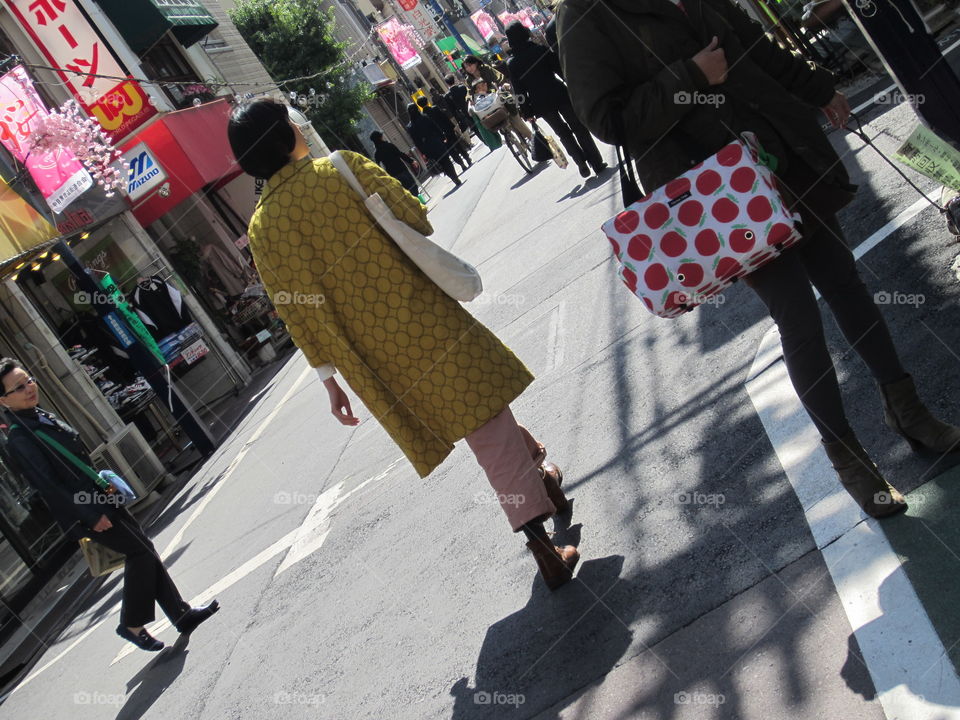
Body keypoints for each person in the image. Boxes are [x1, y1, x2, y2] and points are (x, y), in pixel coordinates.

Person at [558, 0, 960, 518]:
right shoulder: (584, 16)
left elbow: (754, 44)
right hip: (717, 192)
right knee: (797, 314)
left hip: (780, 149)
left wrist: (819, 89)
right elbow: (609, 120)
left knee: (845, 283)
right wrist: (691, 77)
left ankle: (909, 410)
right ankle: (851, 459)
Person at [227, 100, 579, 589]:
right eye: (291, 122)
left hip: (373, 361)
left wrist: (330, 381)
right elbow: (416, 216)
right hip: (424, 323)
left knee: (481, 414)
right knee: (485, 424)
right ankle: (543, 550)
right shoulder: (341, 168)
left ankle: (544, 481)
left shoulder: (261, 230)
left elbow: (293, 312)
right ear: (285, 137)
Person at [0, 359, 219, 651]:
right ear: (4, 400)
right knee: (139, 551)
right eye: (19, 387)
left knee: (145, 547)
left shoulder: (36, 416)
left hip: (97, 495)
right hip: (86, 507)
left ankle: (181, 614)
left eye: (29, 380)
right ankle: (131, 623)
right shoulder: (19, 438)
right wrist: (90, 515)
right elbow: (49, 486)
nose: (29, 388)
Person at [504, 21, 607, 178]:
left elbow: (519, 90)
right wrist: (573, 85)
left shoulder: (512, 63)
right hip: (559, 93)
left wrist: (527, 111)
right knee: (579, 127)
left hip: (540, 103)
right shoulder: (540, 49)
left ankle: (580, 162)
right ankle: (597, 163)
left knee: (563, 134)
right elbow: (560, 69)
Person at [462, 54, 534, 142]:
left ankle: (534, 140)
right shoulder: (468, 80)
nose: (469, 68)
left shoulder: (486, 68)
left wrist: (502, 84)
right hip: (485, 103)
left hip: (497, 94)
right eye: (466, 67)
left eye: (470, 65)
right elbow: (469, 92)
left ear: (476, 63)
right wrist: (470, 100)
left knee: (514, 118)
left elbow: (498, 76)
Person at [406, 101, 463, 187]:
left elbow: (416, 142)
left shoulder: (410, 126)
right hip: (436, 142)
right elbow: (435, 127)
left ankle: (453, 178)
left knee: (440, 163)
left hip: (427, 148)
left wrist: (423, 152)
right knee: (447, 161)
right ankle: (455, 177)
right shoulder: (424, 117)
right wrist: (443, 137)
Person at [416, 96, 472, 172]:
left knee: (451, 151)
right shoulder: (435, 108)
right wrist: (452, 127)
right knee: (458, 145)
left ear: (420, 105)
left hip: (439, 137)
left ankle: (462, 164)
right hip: (448, 130)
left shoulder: (423, 116)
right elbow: (444, 118)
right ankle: (467, 159)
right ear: (427, 101)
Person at [369, 131, 421, 197]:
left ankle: (414, 204)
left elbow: (377, 166)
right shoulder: (389, 145)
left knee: (404, 192)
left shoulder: (376, 153)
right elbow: (400, 154)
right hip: (402, 169)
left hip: (392, 174)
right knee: (413, 186)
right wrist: (411, 161)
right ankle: (418, 202)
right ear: (380, 137)